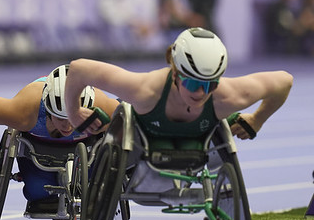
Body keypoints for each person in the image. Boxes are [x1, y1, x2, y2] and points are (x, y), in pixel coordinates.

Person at [64, 28, 293, 148]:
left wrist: (257, 120)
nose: (201, 93)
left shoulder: (228, 95)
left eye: (210, 84)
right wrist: (73, 113)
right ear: (175, 73)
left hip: (200, 145)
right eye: (193, 83)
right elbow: (79, 68)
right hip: (143, 141)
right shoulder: (145, 91)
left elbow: (284, 81)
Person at [0, 64, 120, 218]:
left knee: (94, 190)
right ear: (48, 110)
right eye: (61, 118)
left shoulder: (103, 108)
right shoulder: (24, 111)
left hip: (86, 149)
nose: (68, 125)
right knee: (37, 192)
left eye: (74, 117)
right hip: (37, 150)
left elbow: (134, 117)